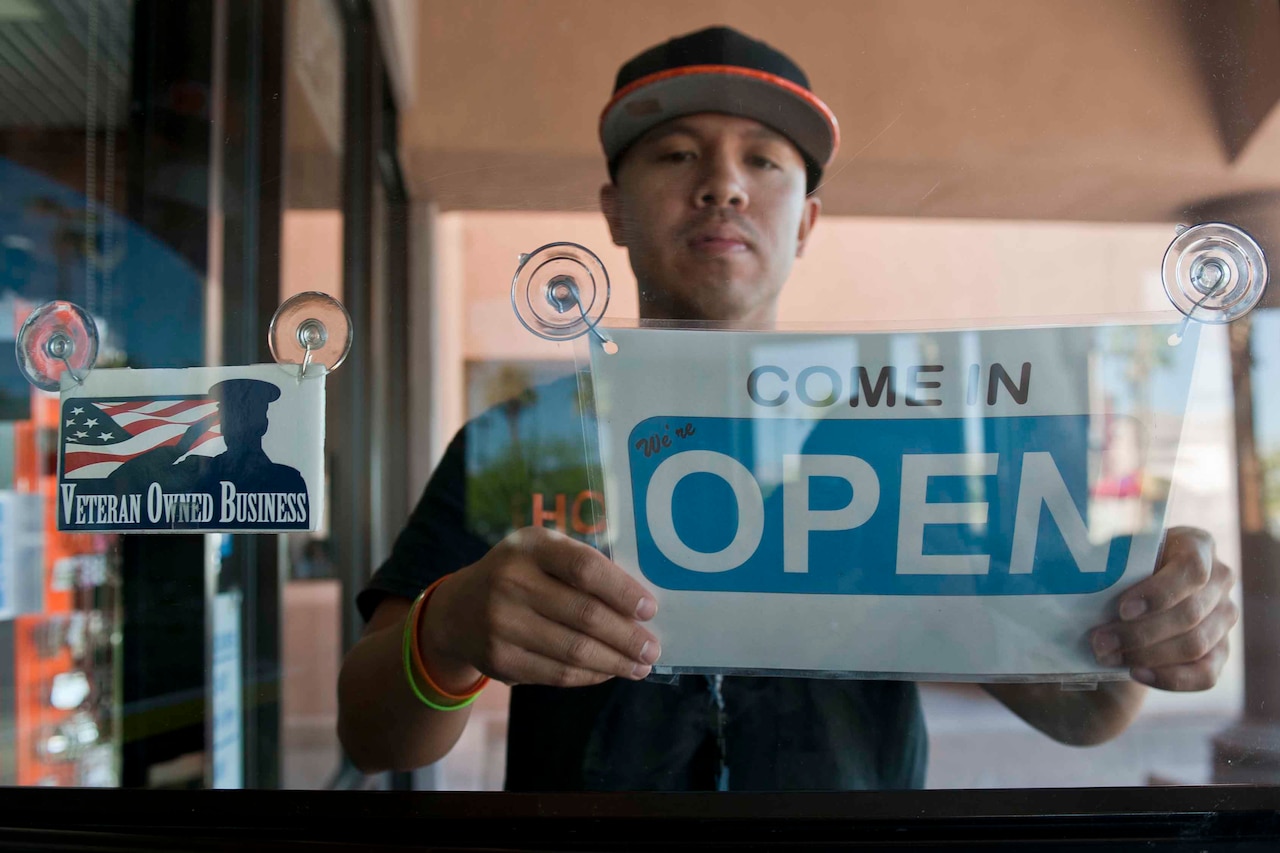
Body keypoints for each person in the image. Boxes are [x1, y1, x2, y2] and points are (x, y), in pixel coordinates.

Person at [338, 26, 1238, 790]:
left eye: (763, 160)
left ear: (806, 221)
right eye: (676, 152)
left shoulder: (919, 439)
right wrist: (446, 626)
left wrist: (1144, 611)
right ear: (613, 209)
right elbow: (370, 734)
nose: (722, 184)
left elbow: (1091, 717)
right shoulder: (523, 441)